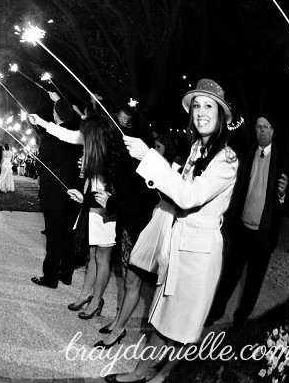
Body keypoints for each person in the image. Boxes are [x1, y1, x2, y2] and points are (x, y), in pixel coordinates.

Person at [111, 78, 239, 383]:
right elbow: (179, 188)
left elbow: (189, 196)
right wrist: (154, 165)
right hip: (178, 243)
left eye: (209, 106)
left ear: (221, 115)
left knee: (181, 325)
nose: (200, 112)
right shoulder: (196, 148)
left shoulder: (228, 159)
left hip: (199, 253)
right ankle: (143, 372)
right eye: (196, 105)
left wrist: (149, 157)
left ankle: (155, 375)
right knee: (162, 319)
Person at [28, 110, 123, 323]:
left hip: (105, 209)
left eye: (85, 134)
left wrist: (85, 193)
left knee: (102, 256)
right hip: (90, 203)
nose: (81, 139)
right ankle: (85, 294)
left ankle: (96, 299)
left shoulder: (112, 156)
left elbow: (110, 193)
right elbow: (67, 136)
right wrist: (41, 120)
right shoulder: (93, 147)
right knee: (91, 253)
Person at [206, 114, 289, 328]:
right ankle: (216, 312)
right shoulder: (248, 154)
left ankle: (240, 318)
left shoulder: (282, 160)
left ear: (273, 131)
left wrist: (283, 193)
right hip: (242, 228)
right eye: (258, 126)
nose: (261, 130)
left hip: (263, 234)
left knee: (253, 281)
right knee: (230, 274)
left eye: (266, 126)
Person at [94, 107, 159, 349]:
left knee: (132, 282)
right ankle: (118, 320)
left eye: (125, 129)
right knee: (126, 281)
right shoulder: (122, 153)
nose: (120, 133)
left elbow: (143, 202)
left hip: (140, 229)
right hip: (127, 226)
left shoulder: (144, 159)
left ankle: (119, 329)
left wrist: (111, 201)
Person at [27, 93, 82, 288]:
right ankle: (66, 273)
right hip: (75, 193)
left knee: (53, 235)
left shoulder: (49, 136)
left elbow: (41, 167)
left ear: (56, 114)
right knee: (68, 234)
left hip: (54, 193)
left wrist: (36, 160)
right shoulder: (80, 134)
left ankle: (50, 277)